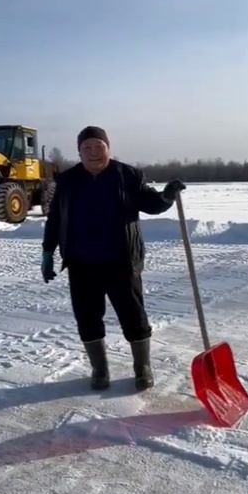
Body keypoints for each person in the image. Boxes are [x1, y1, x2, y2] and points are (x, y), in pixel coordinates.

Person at [41, 126, 185, 391]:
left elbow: (149, 202)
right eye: (87, 148)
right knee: (87, 316)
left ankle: (142, 367)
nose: (94, 152)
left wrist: (165, 197)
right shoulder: (68, 180)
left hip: (121, 261)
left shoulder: (127, 175)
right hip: (82, 263)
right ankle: (100, 368)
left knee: (133, 315)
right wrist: (48, 252)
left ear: (108, 148)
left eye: (99, 147)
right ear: (79, 151)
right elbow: (56, 218)